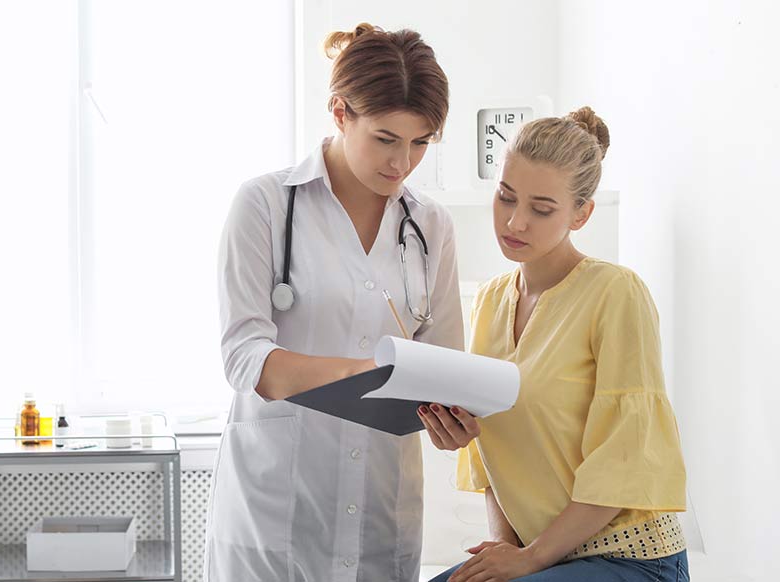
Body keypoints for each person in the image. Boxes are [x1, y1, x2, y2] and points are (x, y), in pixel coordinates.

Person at [205, 23, 480, 582]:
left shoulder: (431, 226)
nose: (402, 162)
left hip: (382, 516)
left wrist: (451, 419)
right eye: (385, 138)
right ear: (339, 112)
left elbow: (442, 363)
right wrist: (369, 374)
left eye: (421, 142)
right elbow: (245, 359)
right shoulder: (264, 205)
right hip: (276, 516)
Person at [427, 107, 689, 582]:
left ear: (582, 213)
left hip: (629, 557)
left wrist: (529, 561)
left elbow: (624, 461)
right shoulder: (488, 302)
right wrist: (505, 554)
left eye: (541, 209)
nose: (516, 222)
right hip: (541, 556)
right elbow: (496, 454)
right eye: (506, 198)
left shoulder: (616, 293)